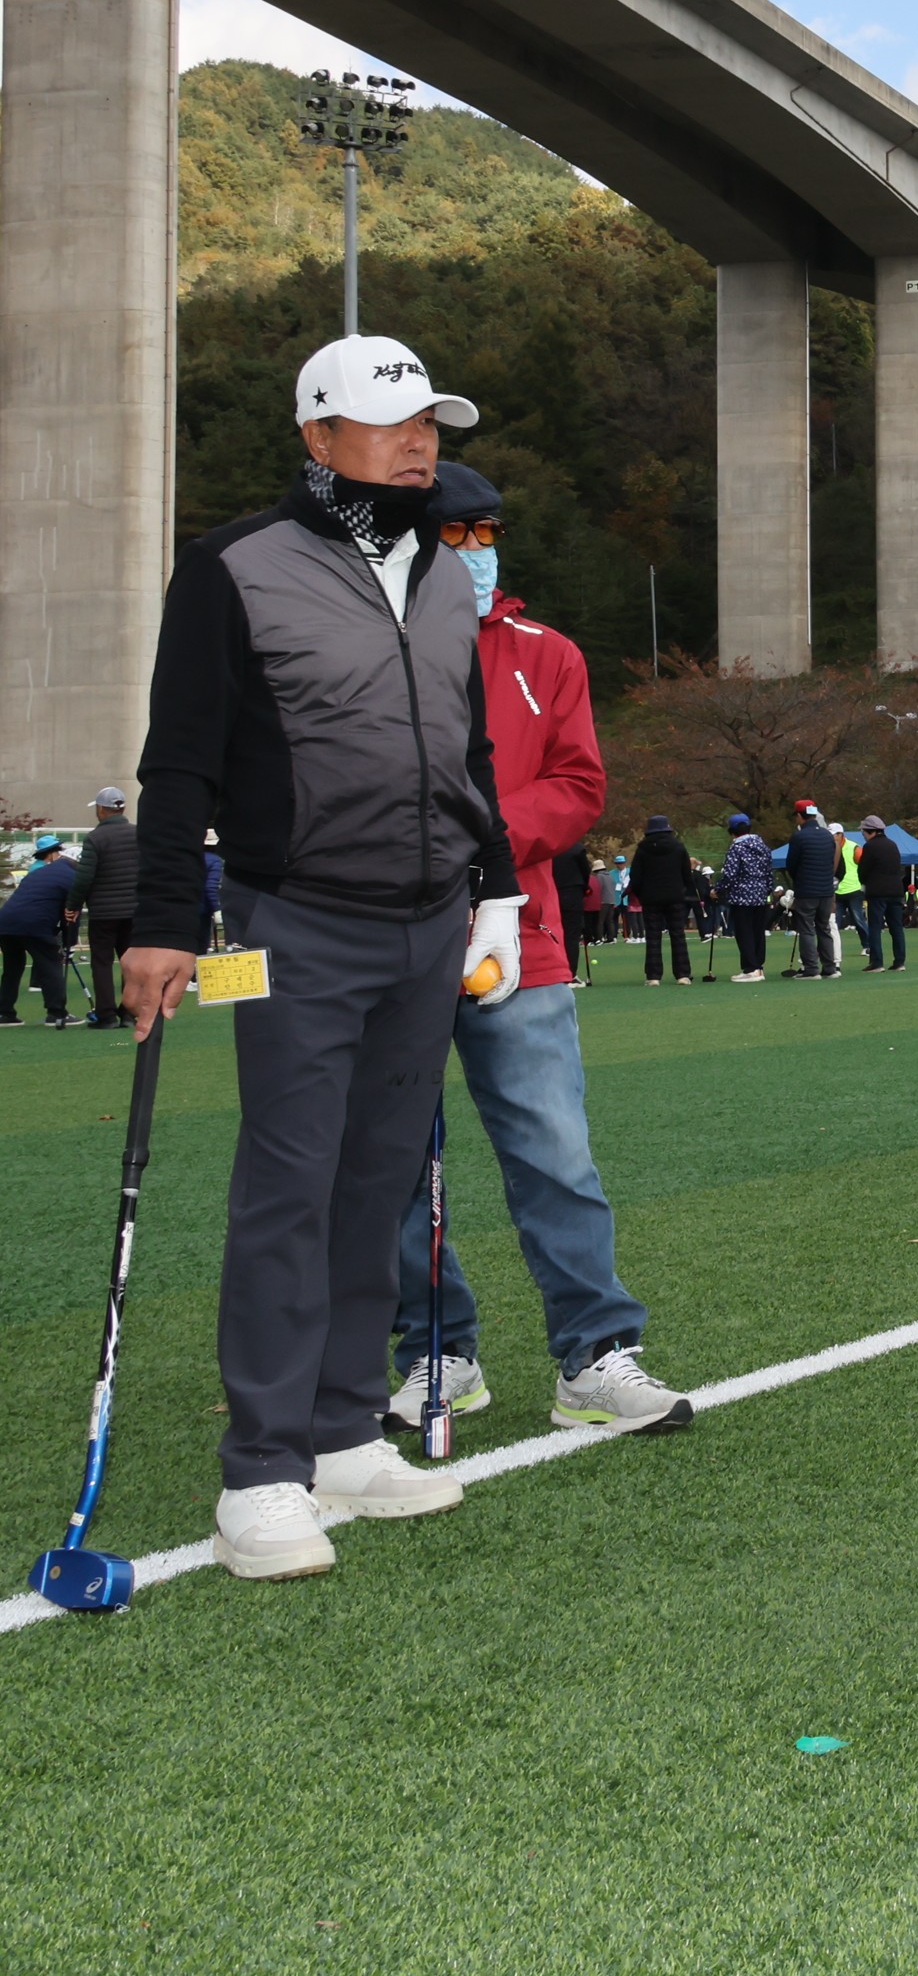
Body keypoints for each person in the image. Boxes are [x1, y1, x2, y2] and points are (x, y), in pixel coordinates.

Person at [120, 333, 523, 1581]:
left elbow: (468, 756)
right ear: (317, 437)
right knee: (289, 1185)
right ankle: (263, 1468)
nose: (421, 444)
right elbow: (178, 754)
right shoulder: (233, 566)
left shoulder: (450, 578)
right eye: (392, 423)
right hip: (291, 921)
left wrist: (496, 890)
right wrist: (163, 918)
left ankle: (346, 1428)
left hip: (425, 923)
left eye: (431, 426)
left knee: (379, 1180)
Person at [386, 461, 693, 1440]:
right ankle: (437, 1349)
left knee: (555, 1155)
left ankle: (594, 1355)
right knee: (391, 1160)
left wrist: (473, 831)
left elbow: (578, 786)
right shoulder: (357, 644)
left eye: (487, 532)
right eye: (454, 535)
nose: (476, 550)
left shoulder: (544, 652)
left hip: (521, 938)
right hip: (386, 942)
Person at [75, 786, 140, 1028]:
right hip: (134, 910)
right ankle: (129, 1012)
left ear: (102, 810)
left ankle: (106, 1015)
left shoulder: (95, 838)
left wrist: (73, 905)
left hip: (103, 911)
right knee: (131, 963)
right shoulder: (138, 834)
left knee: (101, 962)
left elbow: (84, 878)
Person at [2, 835, 81, 1026]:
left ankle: (4, 1013)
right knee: (50, 964)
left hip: (5, 922)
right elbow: (70, 914)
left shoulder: (38, 872)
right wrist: (69, 943)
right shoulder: (74, 878)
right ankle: (57, 1013)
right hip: (34, 924)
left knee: (12, 967)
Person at [628, 813, 696, 985]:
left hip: (650, 898)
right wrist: (687, 892)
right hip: (675, 896)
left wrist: (639, 894)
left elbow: (635, 877)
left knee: (653, 936)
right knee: (678, 935)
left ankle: (653, 976)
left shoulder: (642, 850)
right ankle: (683, 974)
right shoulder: (678, 847)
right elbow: (687, 874)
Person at [784, 803, 842, 977]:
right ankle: (830, 968)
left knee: (807, 929)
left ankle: (811, 969)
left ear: (801, 816)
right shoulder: (827, 836)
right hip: (826, 890)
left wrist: (799, 880)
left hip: (807, 890)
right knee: (824, 928)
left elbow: (791, 865)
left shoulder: (799, 837)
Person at [717, 812, 774, 980]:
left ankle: (750, 968)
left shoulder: (736, 848)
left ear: (732, 831)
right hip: (761, 895)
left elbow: (730, 874)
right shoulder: (763, 846)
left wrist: (718, 890)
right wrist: (767, 890)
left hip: (741, 896)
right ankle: (758, 967)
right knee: (757, 932)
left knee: (744, 932)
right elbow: (769, 872)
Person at [856, 815, 911, 971]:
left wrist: (864, 881)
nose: (863, 835)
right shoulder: (893, 845)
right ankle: (899, 961)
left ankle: (877, 962)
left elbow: (863, 870)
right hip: (896, 890)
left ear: (870, 831)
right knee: (896, 927)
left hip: (877, 892)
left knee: (875, 927)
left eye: (864, 832)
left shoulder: (870, 847)